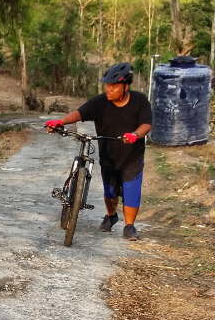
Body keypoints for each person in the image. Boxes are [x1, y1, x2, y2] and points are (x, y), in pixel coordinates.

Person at [45, 63, 152, 242]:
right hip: (108, 156)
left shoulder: (140, 101)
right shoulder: (100, 102)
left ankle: (129, 226)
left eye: (113, 86)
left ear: (126, 87)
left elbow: (146, 124)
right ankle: (111, 216)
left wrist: (135, 134)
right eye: (107, 85)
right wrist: (61, 121)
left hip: (132, 157)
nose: (108, 89)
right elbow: (80, 113)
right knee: (110, 192)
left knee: (131, 189)